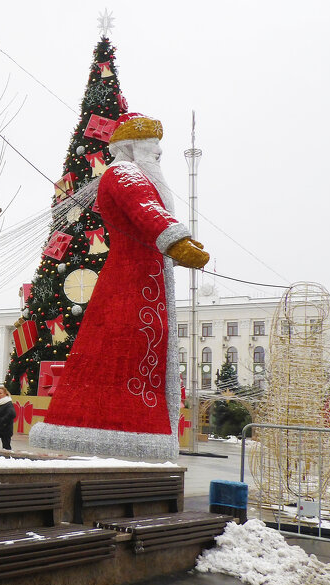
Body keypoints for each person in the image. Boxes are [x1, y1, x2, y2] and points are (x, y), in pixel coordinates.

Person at [29, 113, 209, 462]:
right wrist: (176, 242)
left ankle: (114, 426)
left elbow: (149, 209)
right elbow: (144, 209)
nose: (158, 152)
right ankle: (122, 430)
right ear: (131, 147)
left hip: (140, 280)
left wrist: (179, 243)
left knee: (127, 351)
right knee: (127, 350)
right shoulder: (122, 174)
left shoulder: (133, 175)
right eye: (151, 146)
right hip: (130, 285)